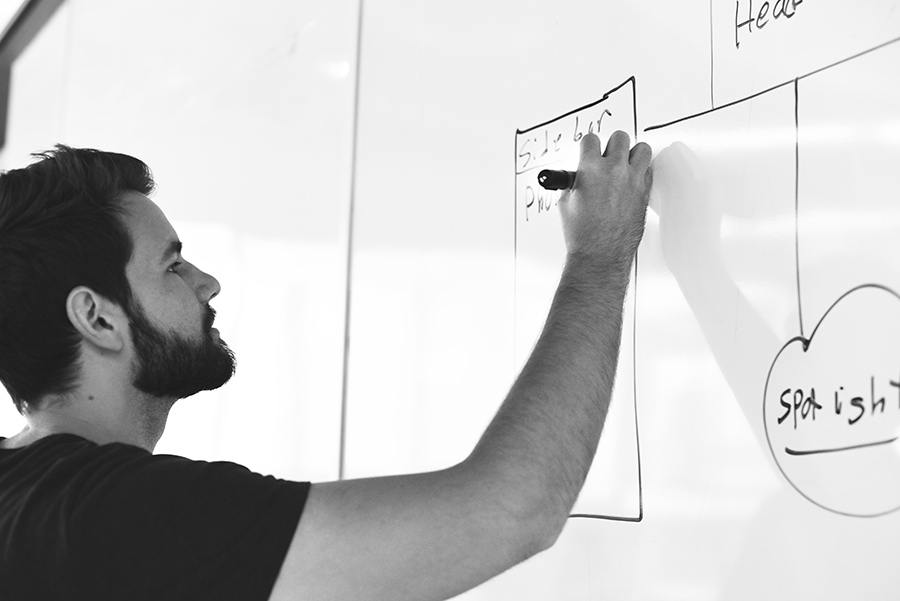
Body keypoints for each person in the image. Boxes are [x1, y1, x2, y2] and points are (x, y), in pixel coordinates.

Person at [0, 131, 651, 601]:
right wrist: (599, 257)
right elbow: (512, 510)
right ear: (98, 318)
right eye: (172, 265)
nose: (208, 282)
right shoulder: (121, 515)